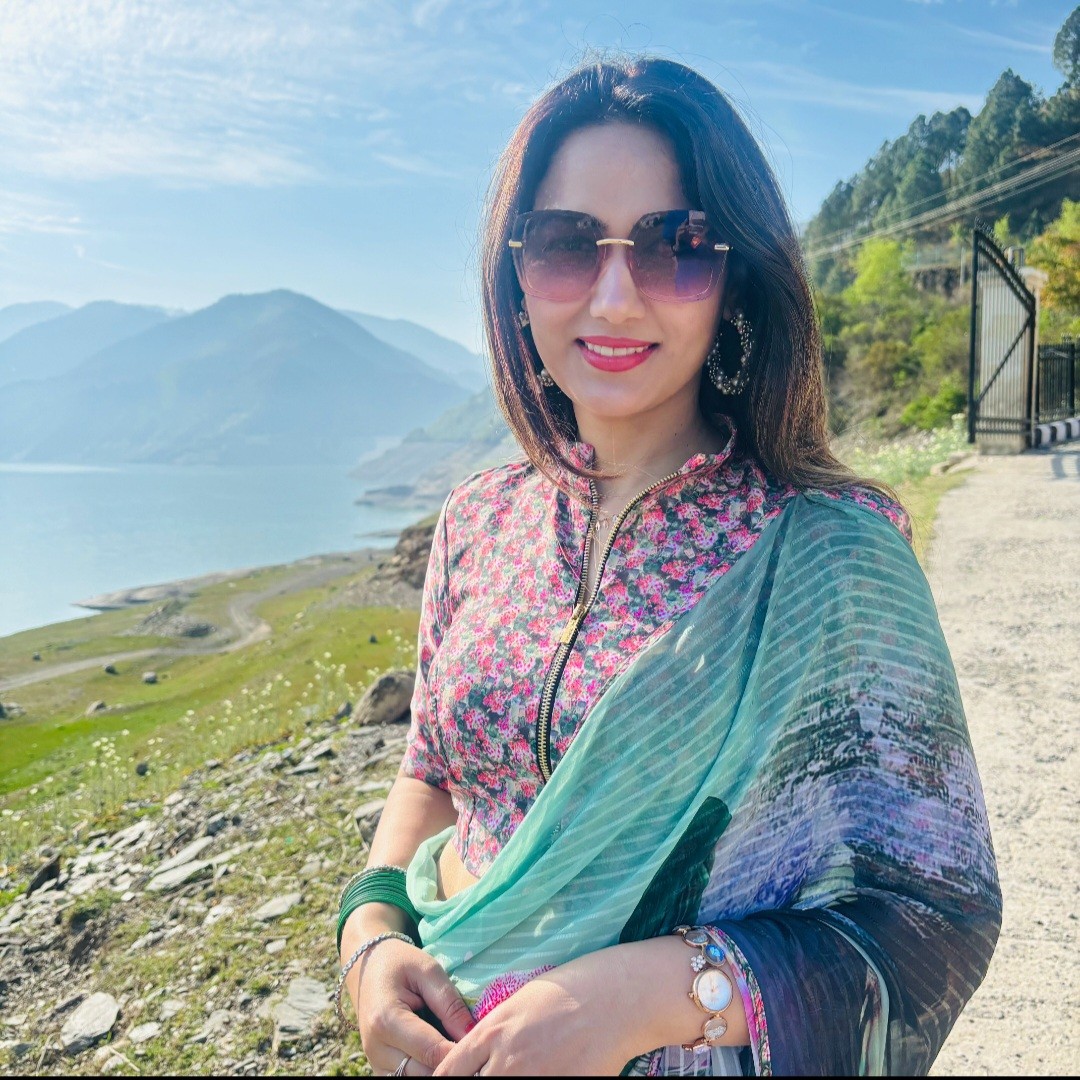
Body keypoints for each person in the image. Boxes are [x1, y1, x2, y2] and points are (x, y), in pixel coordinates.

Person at [336, 56, 1001, 1076]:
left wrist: (648, 998)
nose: (614, 297)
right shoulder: (478, 521)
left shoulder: (832, 556)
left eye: (675, 246)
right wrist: (372, 937)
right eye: (566, 243)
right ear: (516, 277)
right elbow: (430, 771)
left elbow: (932, 915)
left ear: (734, 279)